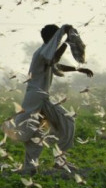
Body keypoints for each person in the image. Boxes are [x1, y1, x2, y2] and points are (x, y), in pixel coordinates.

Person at [7, 24, 93, 174]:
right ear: (53, 39)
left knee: (36, 133)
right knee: (66, 122)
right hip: (37, 97)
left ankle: (33, 166)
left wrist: (78, 69)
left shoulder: (44, 53)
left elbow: (56, 64)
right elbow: (54, 59)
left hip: (38, 97)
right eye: (57, 39)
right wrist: (67, 43)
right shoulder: (42, 53)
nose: (58, 43)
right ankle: (56, 162)